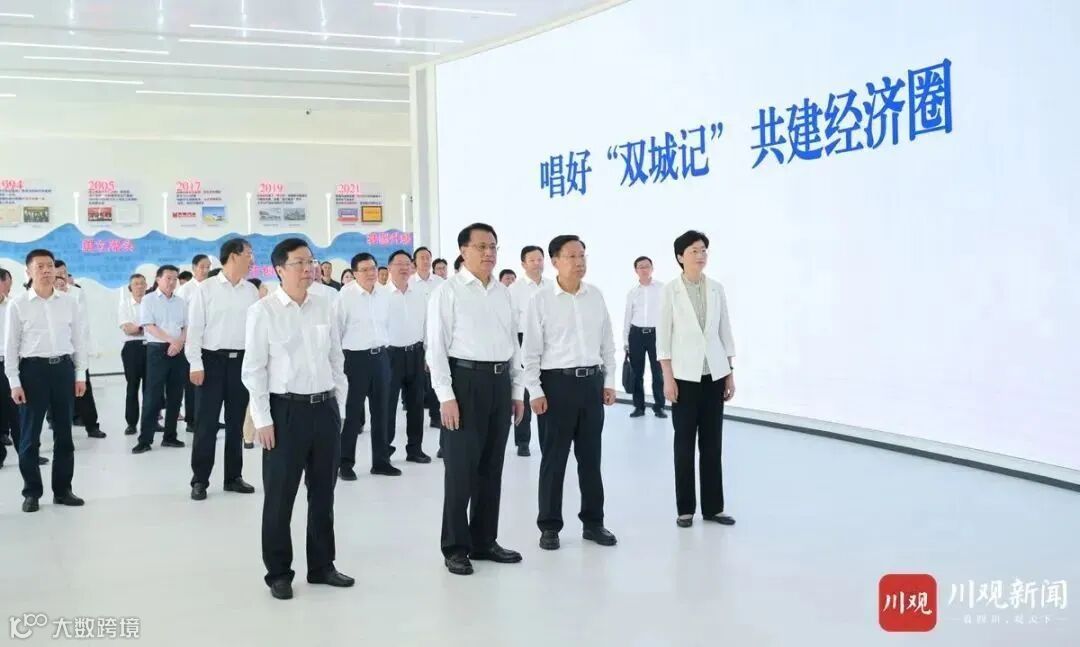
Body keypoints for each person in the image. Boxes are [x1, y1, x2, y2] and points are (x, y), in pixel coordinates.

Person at [242, 237, 353, 601]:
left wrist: (339, 406)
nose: (308, 269)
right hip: (284, 412)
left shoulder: (326, 305)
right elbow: (254, 370)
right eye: (300, 263)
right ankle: (278, 572)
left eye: (311, 261)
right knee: (280, 497)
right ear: (279, 269)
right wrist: (262, 419)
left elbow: (336, 359)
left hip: (324, 409)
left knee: (323, 494)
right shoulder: (263, 311)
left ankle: (322, 566)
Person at [426, 222, 525, 576]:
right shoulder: (448, 292)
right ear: (463, 250)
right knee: (461, 470)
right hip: (464, 383)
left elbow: (513, 344)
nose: (489, 253)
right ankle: (455, 546)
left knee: (490, 467)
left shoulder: (503, 293)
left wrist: (516, 391)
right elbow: (436, 348)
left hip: (499, 383)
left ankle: (484, 540)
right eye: (481, 246)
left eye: (493, 246)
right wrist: (446, 397)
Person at [524, 235, 618, 551]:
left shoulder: (595, 296)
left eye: (582, 255)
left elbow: (607, 342)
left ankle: (594, 523)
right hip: (556, 386)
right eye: (572, 256)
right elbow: (530, 351)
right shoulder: (540, 300)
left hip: (591, 384)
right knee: (554, 459)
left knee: (591, 459)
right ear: (555, 261)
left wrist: (609, 381)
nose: (579, 262)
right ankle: (549, 526)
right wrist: (535, 390)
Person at [657, 230, 736, 528]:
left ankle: (714, 508)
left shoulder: (716, 288)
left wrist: (729, 374)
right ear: (680, 257)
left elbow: (724, 332)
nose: (700, 255)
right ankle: (685, 509)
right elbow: (663, 339)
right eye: (694, 250)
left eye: (703, 250)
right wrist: (667, 379)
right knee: (684, 444)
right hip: (684, 378)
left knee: (713, 443)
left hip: (714, 374)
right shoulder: (670, 291)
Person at [4, 249, 87, 512]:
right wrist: (14, 382)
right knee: (30, 437)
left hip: (63, 369)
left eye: (50, 265)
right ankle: (32, 492)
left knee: (64, 435)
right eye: (40, 266)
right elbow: (10, 346)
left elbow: (79, 341)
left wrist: (80, 375)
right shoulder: (18, 304)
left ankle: (63, 490)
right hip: (32, 372)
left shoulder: (69, 302)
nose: (47, 270)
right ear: (28, 271)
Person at [186, 239, 260, 500]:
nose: (252, 260)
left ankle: (233, 477)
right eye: (248, 254)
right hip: (211, 362)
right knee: (206, 424)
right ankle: (200, 480)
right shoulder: (206, 289)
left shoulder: (250, 291)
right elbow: (195, 329)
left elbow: (255, 331)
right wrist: (195, 363)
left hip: (241, 362)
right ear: (233, 256)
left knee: (236, 423)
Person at [335, 252, 396, 479]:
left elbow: (387, 324)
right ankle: (345, 464)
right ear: (354, 273)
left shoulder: (384, 294)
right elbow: (336, 332)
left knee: (382, 412)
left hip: (381, 357)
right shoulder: (345, 296)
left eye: (373, 268)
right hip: (354, 360)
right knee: (352, 414)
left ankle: (381, 462)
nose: (371, 273)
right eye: (365, 270)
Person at [132, 265, 188, 453]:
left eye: (175, 279)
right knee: (153, 396)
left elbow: (186, 327)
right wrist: (172, 340)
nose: (172, 282)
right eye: (168, 278)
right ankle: (145, 440)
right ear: (158, 279)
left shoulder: (181, 302)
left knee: (175, 394)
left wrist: (179, 342)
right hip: (157, 350)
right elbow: (149, 325)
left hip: (178, 350)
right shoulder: (148, 300)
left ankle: (170, 436)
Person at [384, 250, 431, 464]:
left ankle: (415, 449)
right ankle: (384, 451)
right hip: (390, 356)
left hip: (416, 353)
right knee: (387, 406)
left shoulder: (419, 294)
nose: (404, 268)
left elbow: (427, 324)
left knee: (416, 405)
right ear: (389, 267)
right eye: (399, 264)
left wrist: (427, 354)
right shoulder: (381, 295)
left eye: (407, 264)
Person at [54, 260, 106, 439]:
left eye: (64, 272)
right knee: (57, 392)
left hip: (76, 349)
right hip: (55, 350)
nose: (61, 276)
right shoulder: (47, 295)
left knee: (84, 388)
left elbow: (82, 322)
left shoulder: (76, 293)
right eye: (58, 273)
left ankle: (92, 426)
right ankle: (58, 426)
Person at [506, 245, 549, 457]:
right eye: (532, 260)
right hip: (523, 339)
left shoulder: (552, 285)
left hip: (548, 341)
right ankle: (522, 441)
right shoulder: (514, 289)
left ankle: (549, 439)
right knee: (523, 390)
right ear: (523, 264)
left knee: (547, 389)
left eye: (540, 259)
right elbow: (511, 323)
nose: (537, 263)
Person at [624, 256, 667, 419]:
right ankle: (639, 407)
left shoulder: (662, 288)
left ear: (652, 268)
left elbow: (668, 313)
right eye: (640, 267)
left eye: (647, 266)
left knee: (658, 373)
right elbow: (627, 317)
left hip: (657, 335)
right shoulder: (632, 293)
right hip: (636, 335)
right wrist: (625, 340)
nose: (644, 269)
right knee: (637, 373)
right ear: (636, 270)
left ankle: (659, 407)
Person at [409, 246, 445, 432]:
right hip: (415, 338)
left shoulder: (440, 283)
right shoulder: (409, 283)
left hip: (436, 337)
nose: (425, 260)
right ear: (415, 261)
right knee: (418, 381)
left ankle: (436, 415)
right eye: (421, 257)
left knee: (436, 376)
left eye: (428, 257)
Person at [177, 255, 211, 431]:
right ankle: (191, 420)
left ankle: (206, 418)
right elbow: (180, 317)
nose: (205, 270)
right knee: (191, 383)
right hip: (191, 341)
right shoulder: (185, 290)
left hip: (209, 342)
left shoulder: (211, 286)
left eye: (208, 267)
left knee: (208, 384)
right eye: (202, 267)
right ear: (194, 268)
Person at [117, 273, 148, 436]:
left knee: (151, 388)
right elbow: (128, 329)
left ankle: (151, 421)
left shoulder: (152, 303)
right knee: (132, 387)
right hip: (132, 349)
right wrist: (146, 327)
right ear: (130, 287)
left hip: (151, 347)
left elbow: (158, 326)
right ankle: (131, 423)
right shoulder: (125, 305)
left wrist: (140, 328)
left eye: (142, 283)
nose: (140, 286)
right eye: (136, 284)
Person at [242, 278, 269, 450]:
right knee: (255, 396)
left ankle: (251, 435)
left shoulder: (268, 307)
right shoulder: (254, 309)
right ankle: (248, 435)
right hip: (254, 359)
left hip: (266, 359)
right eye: (263, 287)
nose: (266, 289)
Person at [0, 268, 20, 465]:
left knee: (17, 410)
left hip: (10, 363)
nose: (9, 287)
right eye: (8, 282)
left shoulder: (13, 305)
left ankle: (27, 453)